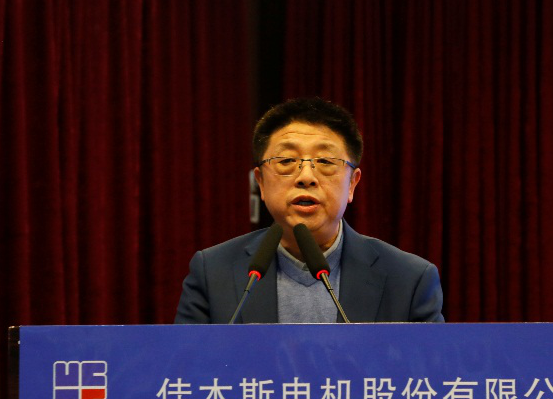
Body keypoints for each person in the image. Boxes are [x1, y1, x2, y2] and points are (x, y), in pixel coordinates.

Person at [175, 96, 444, 324]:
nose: (306, 176)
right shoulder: (213, 273)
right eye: (287, 160)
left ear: (352, 184)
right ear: (261, 182)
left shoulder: (409, 279)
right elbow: (185, 367)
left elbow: (429, 370)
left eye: (325, 161)